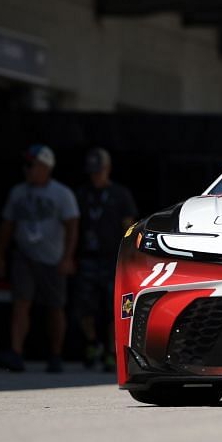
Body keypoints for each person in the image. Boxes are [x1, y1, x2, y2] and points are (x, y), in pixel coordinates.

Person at [0, 144, 80, 373]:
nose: (27, 170)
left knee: (55, 307)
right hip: (24, 255)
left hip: (52, 258)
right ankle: (16, 352)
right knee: (21, 303)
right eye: (26, 165)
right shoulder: (18, 192)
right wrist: (1, 256)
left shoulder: (62, 194)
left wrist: (67, 257)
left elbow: (72, 227)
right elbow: (7, 225)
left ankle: (55, 354)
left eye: (31, 165)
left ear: (45, 167)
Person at [72, 148, 138, 371]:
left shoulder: (120, 194)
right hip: (87, 257)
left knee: (113, 307)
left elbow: (129, 226)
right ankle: (92, 344)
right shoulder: (82, 194)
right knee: (84, 306)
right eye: (92, 172)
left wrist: (129, 258)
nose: (95, 176)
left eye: (99, 171)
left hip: (112, 258)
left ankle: (112, 350)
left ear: (107, 169)